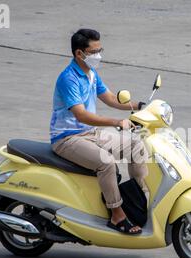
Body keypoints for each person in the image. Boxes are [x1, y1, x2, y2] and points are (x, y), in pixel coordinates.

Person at [50, 29, 149, 235]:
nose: (99, 55)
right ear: (79, 53)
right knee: (106, 163)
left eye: (100, 50)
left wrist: (140, 106)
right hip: (67, 138)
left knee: (136, 145)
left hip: (90, 134)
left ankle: (140, 200)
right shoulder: (68, 79)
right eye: (94, 51)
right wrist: (116, 122)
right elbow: (81, 115)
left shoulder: (91, 74)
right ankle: (117, 216)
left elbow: (111, 98)